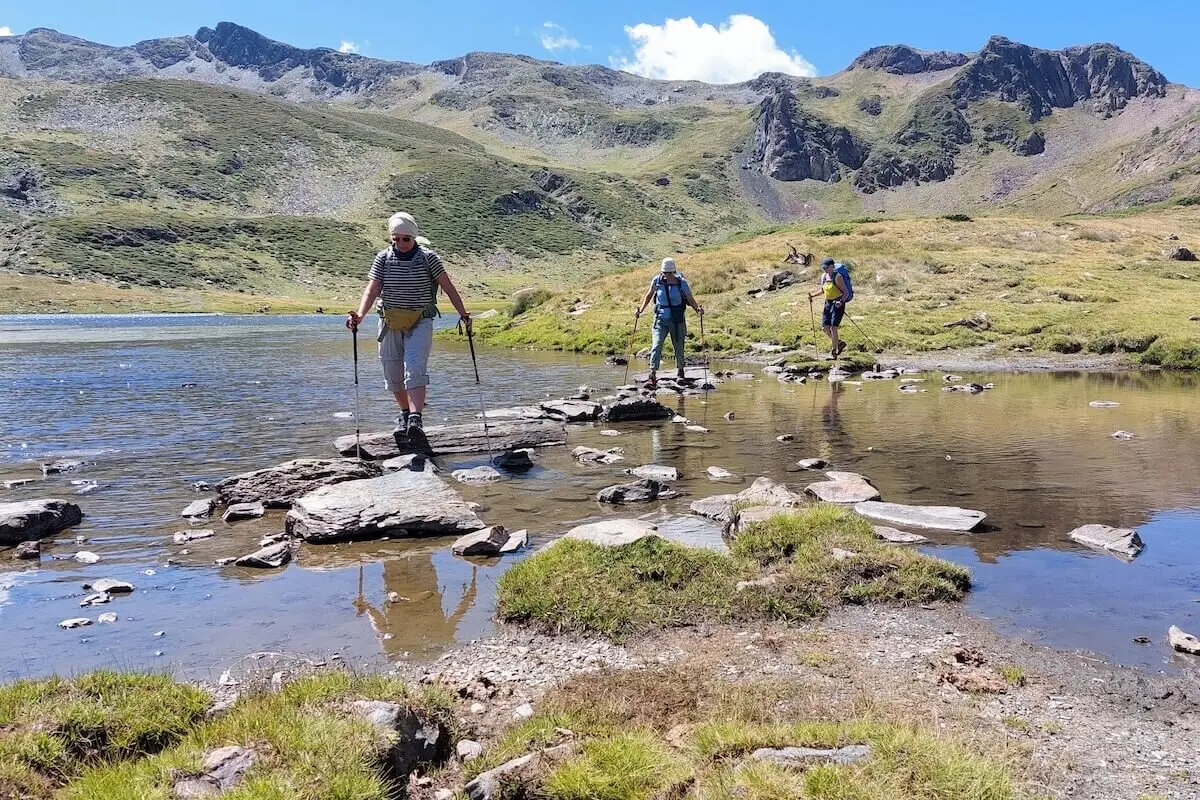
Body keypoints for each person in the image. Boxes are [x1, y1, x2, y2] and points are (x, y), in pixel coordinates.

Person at [346, 212, 471, 437]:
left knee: (414, 366)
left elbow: (449, 287)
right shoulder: (383, 258)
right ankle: (405, 413)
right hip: (389, 321)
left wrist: (463, 315)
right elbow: (372, 289)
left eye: (406, 239)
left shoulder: (428, 258)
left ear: (414, 237)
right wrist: (360, 315)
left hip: (421, 320)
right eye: (395, 238)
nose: (401, 243)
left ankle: (416, 418)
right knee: (392, 371)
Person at [634, 257, 704, 386]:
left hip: (677, 320)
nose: (667, 275)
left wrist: (697, 310)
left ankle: (680, 372)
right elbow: (649, 295)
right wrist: (640, 311)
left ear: (674, 272)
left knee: (678, 346)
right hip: (660, 320)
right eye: (665, 273)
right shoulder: (657, 281)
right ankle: (652, 374)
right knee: (656, 345)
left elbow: (690, 298)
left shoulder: (681, 283)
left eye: (669, 273)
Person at [809, 257, 850, 358]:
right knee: (825, 328)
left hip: (837, 303)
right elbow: (823, 290)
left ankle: (834, 351)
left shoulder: (838, 277)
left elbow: (846, 293)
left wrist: (840, 302)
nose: (824, 269)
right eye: (823, 268)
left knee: (833, 327)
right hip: (828, 303)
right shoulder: (824, 276)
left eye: (826, 267)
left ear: (832, 266)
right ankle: (839, 343)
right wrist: (813, 295)